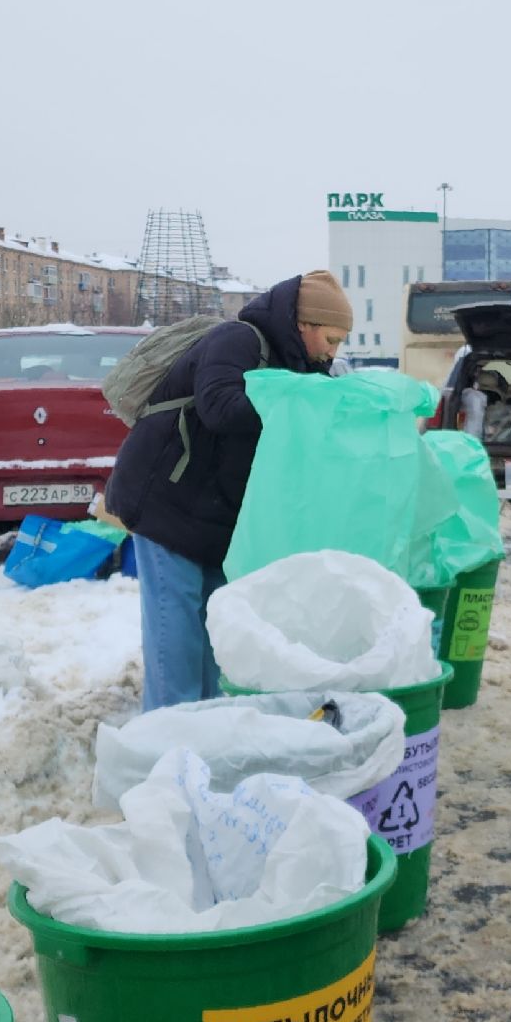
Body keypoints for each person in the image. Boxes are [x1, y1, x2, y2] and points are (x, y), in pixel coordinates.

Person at [107, 271, 352, 710]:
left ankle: (205, 733)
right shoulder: (237, 340)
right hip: (168, 505)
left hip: (218, 519)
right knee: (176, 639)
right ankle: (168, 748)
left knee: (216, 639)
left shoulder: (299, 369)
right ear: (304, 326)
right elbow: (220, 408)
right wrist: (298, 401)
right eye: (331, 339)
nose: (334, 352)